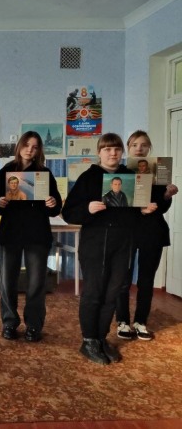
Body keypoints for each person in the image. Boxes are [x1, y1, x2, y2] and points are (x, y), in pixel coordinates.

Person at [62, 133, 155, 365]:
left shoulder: (131, 177)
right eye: (107, 149)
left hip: (123, 243)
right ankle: (88, 340)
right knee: (94, 292)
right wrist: (87, 209)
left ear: (122, 152)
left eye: (116, 149)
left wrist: (142, 211)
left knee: (113, 292)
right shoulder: (88, 178)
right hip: (95, 244)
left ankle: (101, 338)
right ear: (99, 152)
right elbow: (68, 213)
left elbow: (134, 213)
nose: (113, 153)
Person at [0, 131, 62, 343]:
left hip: (37, 234)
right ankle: (9, 323)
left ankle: (34, 325)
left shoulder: (44, 173)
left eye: (35, 146)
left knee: (36, 283)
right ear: (19, 146)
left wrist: (52, 203)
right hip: (10, 233)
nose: (30, 150)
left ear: (39, 150)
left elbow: (55, 206)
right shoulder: (7, 170)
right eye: (27, 145)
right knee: (7, 282)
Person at [116, 130, 178, 341]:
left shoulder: (158, 171)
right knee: (123, 279)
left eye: (143, 145)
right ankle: (123, 321)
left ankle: (140, 322)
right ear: (128, 148)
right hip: (127, 231)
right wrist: (140, 210)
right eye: (134, 145)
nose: (139, 148)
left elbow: (162, 207)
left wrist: (167, 195)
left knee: (146, 280)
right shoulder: (120, 172)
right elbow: (117, 204)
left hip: (152, 231)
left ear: (149, 148)